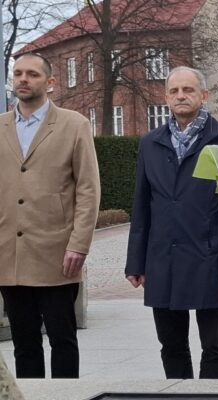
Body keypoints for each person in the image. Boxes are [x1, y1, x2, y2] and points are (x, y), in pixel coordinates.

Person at [125, 66, 218, 379]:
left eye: (188, 90)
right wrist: (135, 262)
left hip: (208, 257)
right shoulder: (150, 143)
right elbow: (142, 206)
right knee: (171, 345)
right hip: (163, 258)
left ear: (203, 95)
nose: (181, 96)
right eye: (174, 91)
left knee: (214, 345)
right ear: (166, 96)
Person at [0, 53, 100, 378]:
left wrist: (79, 244)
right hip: (9, 255)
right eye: (18, 73)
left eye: (32, 74)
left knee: (62, 340)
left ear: (50, 83)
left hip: (58, 254)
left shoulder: (74, 125)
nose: (23, 79)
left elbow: (88, 188)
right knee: (24, 343)